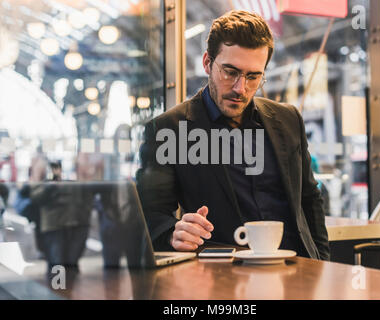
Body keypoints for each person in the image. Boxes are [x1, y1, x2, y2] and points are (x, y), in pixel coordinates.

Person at [137, 10, 330, 260]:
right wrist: (174, 232)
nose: (241, 88)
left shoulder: (288, 119)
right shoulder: (168, 129)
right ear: (207, 63)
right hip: (224, 276)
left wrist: (324, 264)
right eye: (230, 72)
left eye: (253, 76)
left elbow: (310, 200)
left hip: (300, 271)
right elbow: (148, 216)